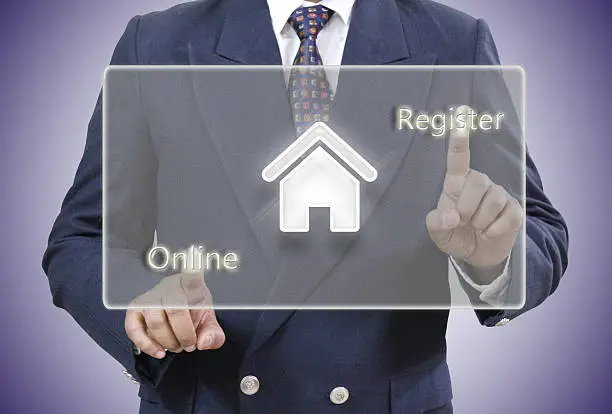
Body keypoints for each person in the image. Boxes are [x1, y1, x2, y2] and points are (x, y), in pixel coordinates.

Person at [42, 0, 568, 413]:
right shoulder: (155, 43)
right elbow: (85, 237)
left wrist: (494, 259)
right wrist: (143, 306)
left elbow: (539, 228)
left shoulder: (455, 41)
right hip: (210, 399)